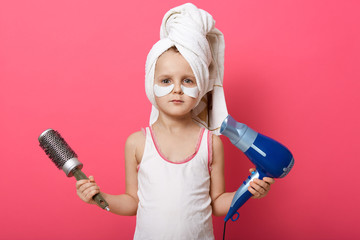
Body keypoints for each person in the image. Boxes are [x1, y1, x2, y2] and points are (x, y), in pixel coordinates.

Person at [76, 3, 275, 240]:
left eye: (188, 81)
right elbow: (132, 203)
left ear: (200, 86)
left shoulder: (211, 144)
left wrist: (248, 191)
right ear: (152, 84)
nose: (177, 89)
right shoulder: (137, 143)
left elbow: (217, 203)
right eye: (166, 80)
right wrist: (99, 198)